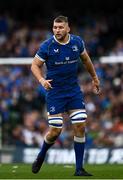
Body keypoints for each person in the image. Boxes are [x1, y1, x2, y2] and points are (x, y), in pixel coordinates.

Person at [31, 15, 100, 176]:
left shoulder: (77, 42)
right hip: (55, 92)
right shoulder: (47, 46)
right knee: (56, 131)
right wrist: (42, 80)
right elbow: (35, 65)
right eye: (55, 27)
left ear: (68, 28)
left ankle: (79, 169)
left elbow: (86, 60)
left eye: (60, 27)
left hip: (73, 91)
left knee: (80, 125)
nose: (57, 30)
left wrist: (95, 78)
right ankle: (41, 155)